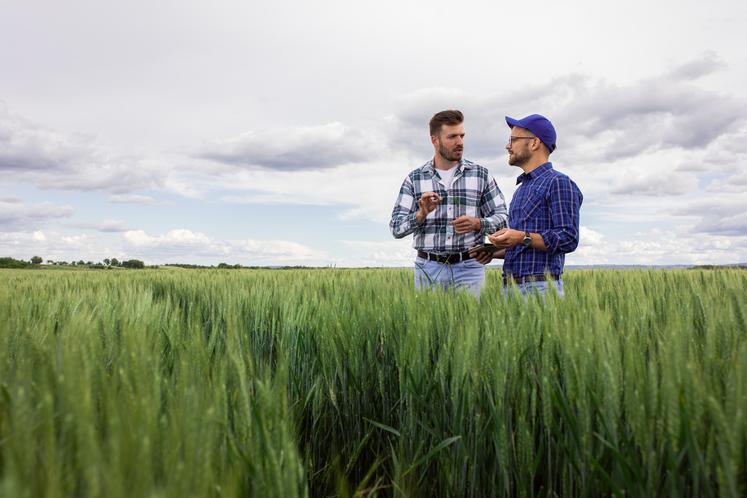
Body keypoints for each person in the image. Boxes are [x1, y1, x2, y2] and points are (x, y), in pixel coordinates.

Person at [389, 109, 508, 297]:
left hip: (470, 267)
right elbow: (396, 228)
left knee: (468, 325)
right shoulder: (415, 179)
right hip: (429, 268)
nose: (460, 142)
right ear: (434, 140)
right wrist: (420, 214)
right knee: (430, 327)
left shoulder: (481, 175)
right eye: (452, 136)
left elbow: (503, 218)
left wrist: (479, 224)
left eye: (462, 136)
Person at [479, 114, 582, 297]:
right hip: (511, 287)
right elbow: (524, 243)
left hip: (541, 288)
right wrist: (493, 250)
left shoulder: (558, 182)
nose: (507, 146)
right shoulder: (521, 190)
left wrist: (521, 237)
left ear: (534, 143)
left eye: (513, 140)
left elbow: (568, 237)